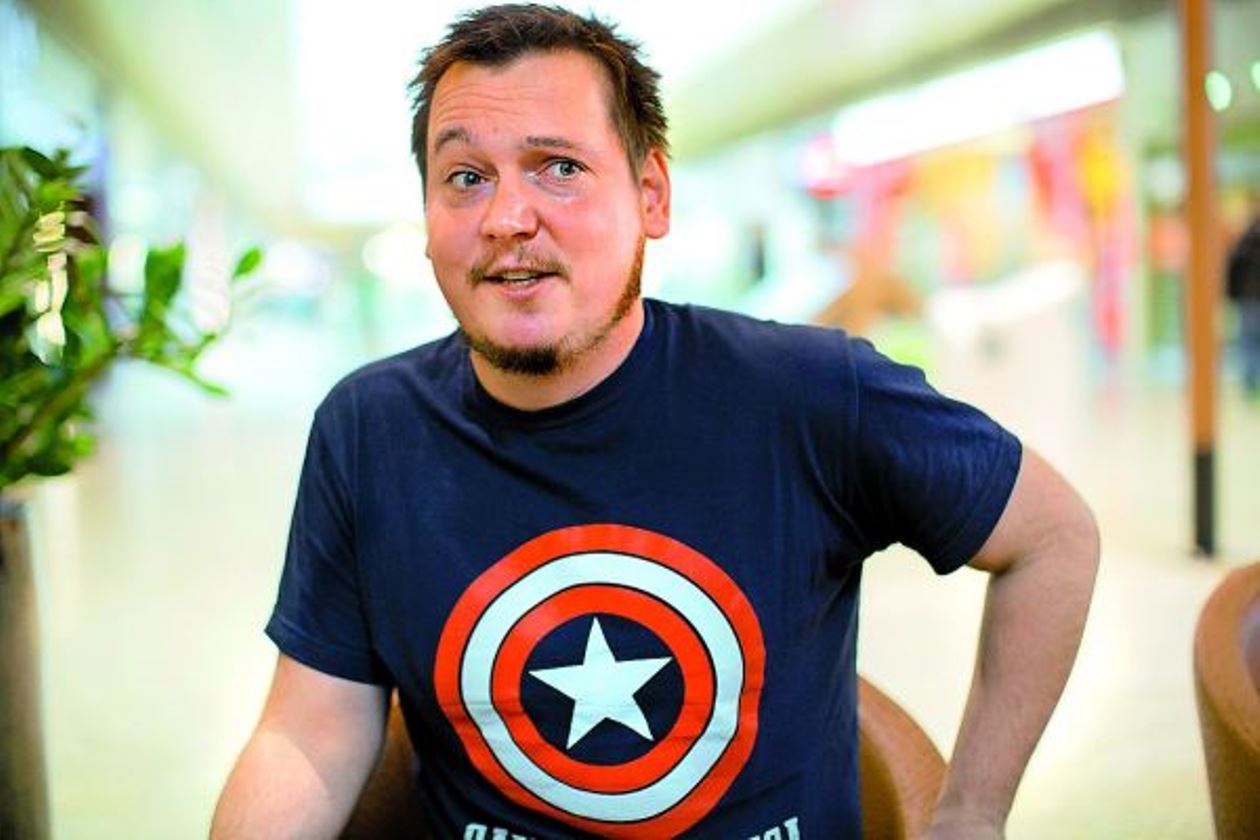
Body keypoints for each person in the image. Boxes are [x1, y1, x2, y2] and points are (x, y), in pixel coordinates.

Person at [211, 5, 1099, 838]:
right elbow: (310, 731)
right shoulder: (369, 429)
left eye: (559, 168)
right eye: (466, 178)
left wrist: (970, 815)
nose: (508, 218)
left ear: (651, 196)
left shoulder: (807, 394)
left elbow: (1053, 536)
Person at [1228, 213, 1260, 400]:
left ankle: (1251, 384)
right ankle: (1252, 384)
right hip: (1249, 298)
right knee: (1250, 341)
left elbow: (1234, 267)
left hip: (1248, 298)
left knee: (1248, 342)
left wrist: (1232, 294)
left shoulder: (1246, 240)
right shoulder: (1246, 240)